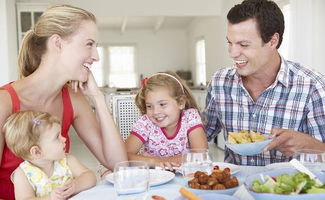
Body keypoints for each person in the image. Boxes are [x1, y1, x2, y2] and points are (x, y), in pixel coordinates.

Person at [0, 5, 127, 199]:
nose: (96, 56)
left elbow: (118, 164)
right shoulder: (4, 102)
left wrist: (98, 98)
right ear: (58, 43)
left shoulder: (74, 99)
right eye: (89, 44)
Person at [204, 0, 325, 166]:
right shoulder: (220, 81)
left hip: (290, 189)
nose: (232, 53)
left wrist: (307, 144)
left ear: (272, 41)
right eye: (229, 42)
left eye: (243, 44)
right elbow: (202, 134)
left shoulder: (312, 86)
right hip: (233, 188)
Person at [3, 110, 97, 199]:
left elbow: (91, 177)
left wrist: (76, 185)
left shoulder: (66, 160)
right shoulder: (23, 174)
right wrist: (50, 198)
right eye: (57, 137)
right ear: (37, 152)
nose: (64, 139)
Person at [125, 71, 208, 169]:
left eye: (162, 104)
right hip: (155, 180)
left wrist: (155, 161)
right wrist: (158, 161)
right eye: (149, 106)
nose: (155, 112)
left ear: (181, 103)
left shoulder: (190, 117)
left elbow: (201, 156)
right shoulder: (146, 123)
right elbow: (123, 156)